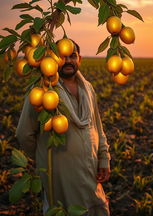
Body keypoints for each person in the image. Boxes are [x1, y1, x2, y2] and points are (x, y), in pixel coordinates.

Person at [16, 40, 111, 216]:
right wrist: (44, 156)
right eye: (62, 56)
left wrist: (103, 158)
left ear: (80, 59)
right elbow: (24, 134)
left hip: (90, 170)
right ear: (53, 59)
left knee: (94, 207)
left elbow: (97, 127)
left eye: (72, 56)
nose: (68, 61)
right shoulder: (42, 92)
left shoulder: (88, 88)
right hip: (60, 176)